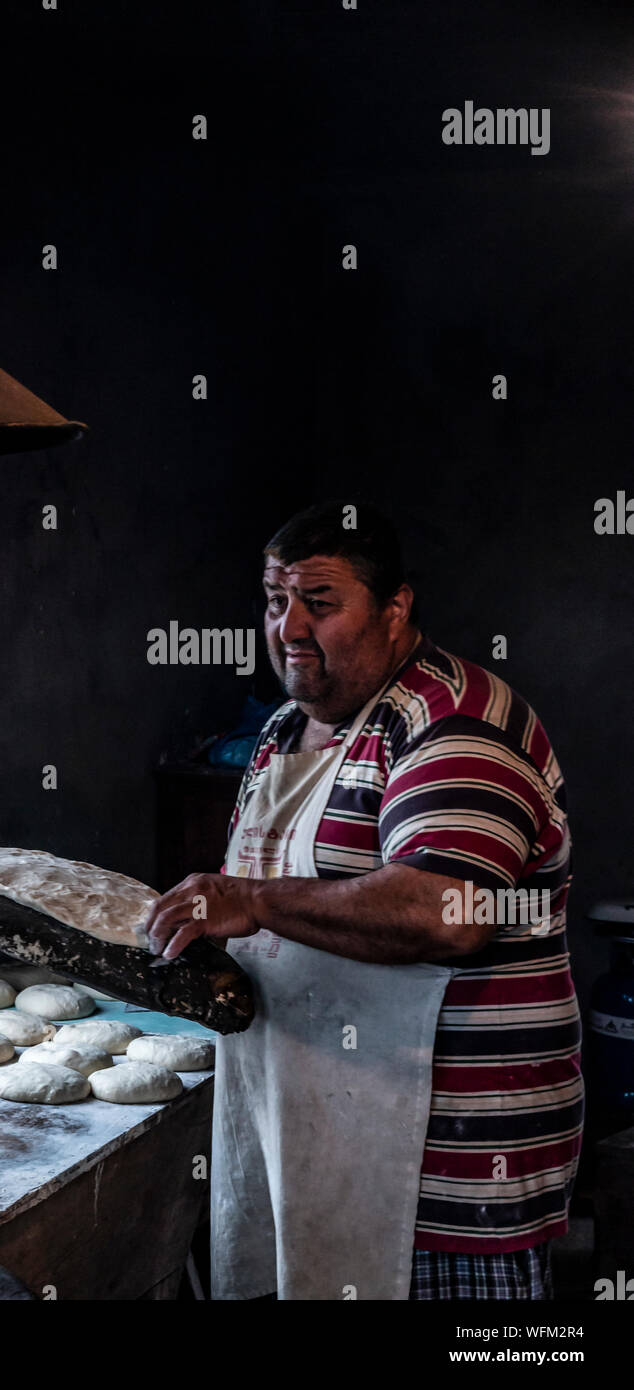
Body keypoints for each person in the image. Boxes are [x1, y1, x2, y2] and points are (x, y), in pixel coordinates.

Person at [145, 500, 583, 1301]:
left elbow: (448, 914)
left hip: (447, 1171)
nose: (289, 628)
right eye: (276, 601)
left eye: (320, 602)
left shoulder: (454, 722)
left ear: (395, 608)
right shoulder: (285, 731)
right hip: (313, 1139)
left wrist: (253, 901)